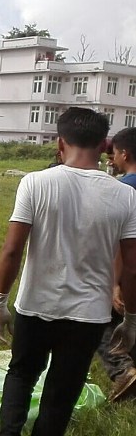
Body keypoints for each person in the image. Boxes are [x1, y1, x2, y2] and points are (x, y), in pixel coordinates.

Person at [0, 107, 136, 436]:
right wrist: (131, 320)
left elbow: (12, 250)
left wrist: (0, 302)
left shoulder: (35, 183)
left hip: (35, 306)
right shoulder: (126, 196)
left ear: (60, 143)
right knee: (63, 389)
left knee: (21, 374)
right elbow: (131, 267)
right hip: (88, 316)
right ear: (104, 145)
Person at [96, 127, 136, 402]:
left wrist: (113, 284)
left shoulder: (124, 189)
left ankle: (123, 370)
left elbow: (122, 243)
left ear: (125, 153)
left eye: (114, 153)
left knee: (102, 323)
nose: (113, 159)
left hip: (128, 268)